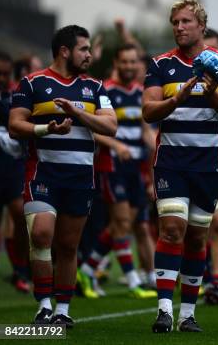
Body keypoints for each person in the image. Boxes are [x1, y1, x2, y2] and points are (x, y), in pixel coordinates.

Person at [142, 0, 218, 333]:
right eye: (175, 23)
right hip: (171, 162)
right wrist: (178, 98)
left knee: (198, 240)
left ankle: (188, 314)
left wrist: (212, 93)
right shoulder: (159, 64)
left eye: (185, 22)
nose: (179, 28)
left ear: (201, 25)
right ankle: (164, 310)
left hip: (208, 165)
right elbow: (148, 112)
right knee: (172, 230)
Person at [9, 25, 117, 327]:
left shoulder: (95, 87)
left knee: (69, 246)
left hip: (80, 178)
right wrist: (46, 129)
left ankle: (63, 311)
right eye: (84, 49)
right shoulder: (33, 83)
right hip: (43, 173)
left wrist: (78, 113)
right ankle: (43, 305)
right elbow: (15, 124)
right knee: (42, 235)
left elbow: (110, 127)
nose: (89, 55)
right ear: (65, 51)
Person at [78, 43, 157, 299]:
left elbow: (143, 126)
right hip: (112, 165)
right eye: (125, 62)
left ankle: (87, 269)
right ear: (116, 63)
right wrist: (116, 144)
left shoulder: (139, 91)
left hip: (136, 167)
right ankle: (134, 281)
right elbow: (91, 129)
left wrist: (151, 139)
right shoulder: (105, 91)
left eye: (134, 62)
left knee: (120, 225)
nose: (130, 66)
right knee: (121, 222)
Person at [0, 50, 30, 293]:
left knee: (21, 214)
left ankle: (20, 269)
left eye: (5, 74)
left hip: (13, 165)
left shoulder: (16, 94)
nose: (1, 77)